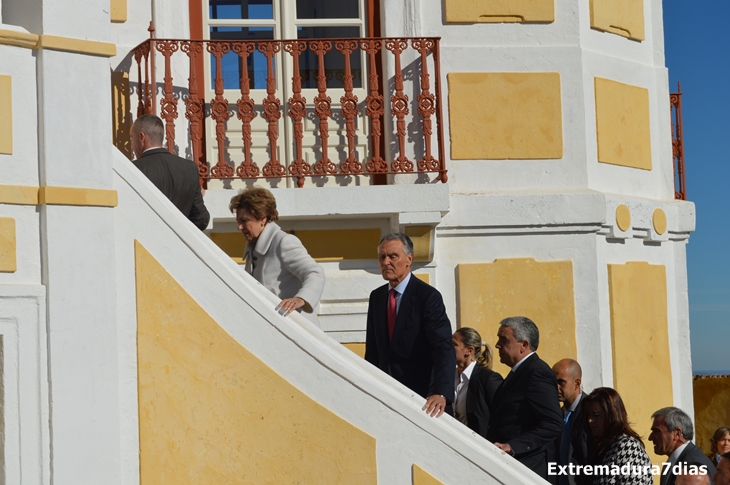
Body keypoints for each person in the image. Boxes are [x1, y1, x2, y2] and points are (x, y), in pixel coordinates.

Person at [364, 233, 455, 418]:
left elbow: (442, 347)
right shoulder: (377, 297)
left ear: (409, 259)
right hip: (386, 396)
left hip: (422, 398)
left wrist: (440, 392)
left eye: (393, 256)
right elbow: (373, 351)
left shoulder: (428, 297)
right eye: (382, 257)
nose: (386, 262)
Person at [229, 188, 325, 326]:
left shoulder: (283, 242)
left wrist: (300, 299)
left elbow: (315, 273)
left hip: (297, 329)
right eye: (238, 221)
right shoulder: (253, 249)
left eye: (244, 221)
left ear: (263, 218)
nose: (239, 227)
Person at [486, 316, 563, 480]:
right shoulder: (519, 372)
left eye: (504, 339)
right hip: (511, 466)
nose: (497, 345)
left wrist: (513, 446)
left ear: (524, 345)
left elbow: (553, 423)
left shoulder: (536, 372)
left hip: (528, 468)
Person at [131, 114, 210, 230]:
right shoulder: (189, 168)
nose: (132, 146)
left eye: (131, 139)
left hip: (145, 242)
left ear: (142, 137)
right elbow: (201, 219)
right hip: (178, 244)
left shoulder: (134, 169)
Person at [582, 387, 652, 485]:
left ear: (612, 415)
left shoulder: (628, 447)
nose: (590, 420)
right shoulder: (603, 447)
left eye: (596, 415)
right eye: (589, 415)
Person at [552, 358, 597, 485]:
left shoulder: (592, 414)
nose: (556, 388)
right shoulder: (557, 415)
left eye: (561, 382)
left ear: (577, 383)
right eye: (553, 382)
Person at [452, 327, 503, 438]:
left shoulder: (488, 379)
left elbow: (503, 417)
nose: (448, 348)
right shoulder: (448, 376)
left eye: (453, 344)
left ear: (469, 351)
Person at [648, 407, 715, 485]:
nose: (650, 438)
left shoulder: (694, 467)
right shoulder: (674, 461)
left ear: (677, 433)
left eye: (657, 431)